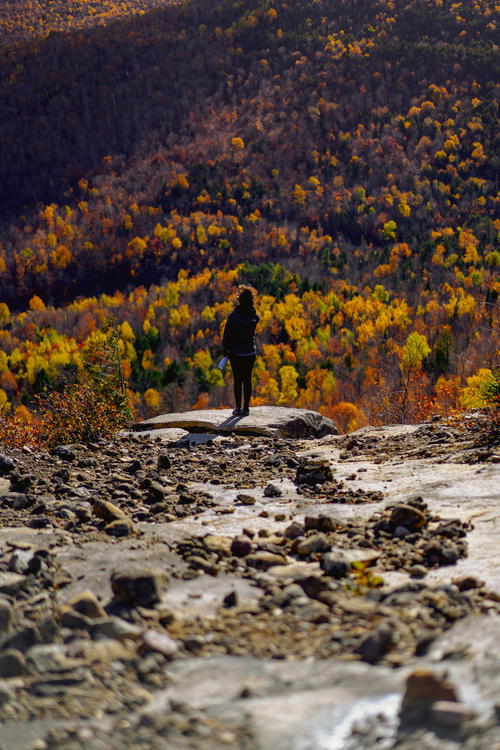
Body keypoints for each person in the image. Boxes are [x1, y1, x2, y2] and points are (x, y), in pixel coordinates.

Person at [222, 285, 259, 416]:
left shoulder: (233, 317)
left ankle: (238, 409)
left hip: (236, 354)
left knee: (238, 381)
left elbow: (227, 335)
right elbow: (256, 317)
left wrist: (225, 351)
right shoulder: (254, 317)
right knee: (247, 380)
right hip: (250, 353)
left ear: (239, 300)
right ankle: (246, 408)